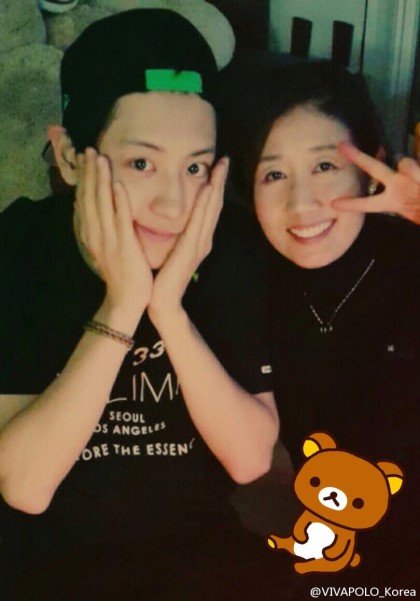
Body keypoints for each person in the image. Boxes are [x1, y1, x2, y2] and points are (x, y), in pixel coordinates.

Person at [0, 9, 283, 600]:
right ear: (70, 156)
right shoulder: (20, 245)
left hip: (198, 554)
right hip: (47, 564)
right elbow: (24, 485)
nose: (174, 204)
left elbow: (251, 459)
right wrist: (123, 303)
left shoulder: (229, 245)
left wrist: (170, 312)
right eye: (141, 163)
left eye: (195, 166)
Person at [227, 59, 420, 587]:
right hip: (306, 566)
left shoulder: (410, 261)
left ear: (371, 168)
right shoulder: (245, 282)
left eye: (324, 166)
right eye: (274, 174)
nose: (301, 203)